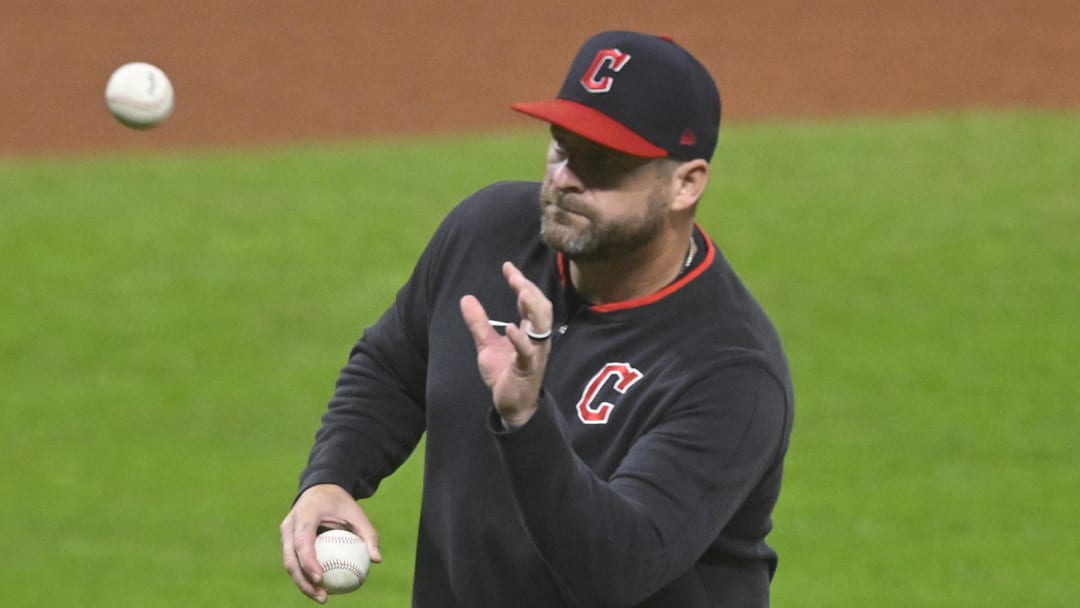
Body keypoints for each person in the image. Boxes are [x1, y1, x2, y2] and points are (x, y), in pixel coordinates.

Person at [280, 30, 794, 607]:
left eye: (604, 162)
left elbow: (620, 568)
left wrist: (526, 421)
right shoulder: (488, 231)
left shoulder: (729, 371)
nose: (566, 177)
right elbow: (395, 365)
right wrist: (332, 476)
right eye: (561, 146)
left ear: (685, 183)